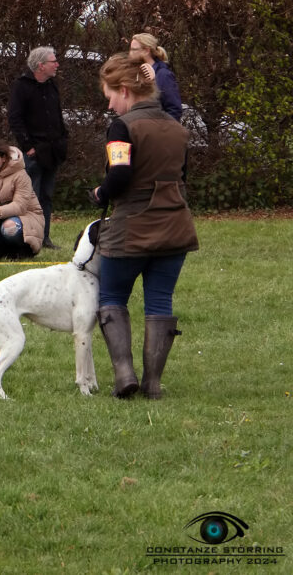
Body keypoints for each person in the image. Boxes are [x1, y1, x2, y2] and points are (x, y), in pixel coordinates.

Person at [90, 53, 198, 399]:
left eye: (109, 95)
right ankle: (153, 383)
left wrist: (100, 192)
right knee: (160, 302)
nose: (109, 105)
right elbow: (181, 177)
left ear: (124, 90)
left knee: (112, 297)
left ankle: (124, 375)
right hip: (175, 228)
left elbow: (119, 175)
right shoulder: (177, 128)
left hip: (130, 230)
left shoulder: (122, 127)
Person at [8, 46, 68, 249]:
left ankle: (44, 237)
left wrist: (63, 139)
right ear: (41, 65)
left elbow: (57, 115)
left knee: (47, 196)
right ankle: (28, 237)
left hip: (53, 151)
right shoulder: (21, 86)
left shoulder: (52, 86)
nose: (57, 64)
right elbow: (15, 118)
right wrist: (28, 146)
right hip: (34, 152)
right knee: (31, 195)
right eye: (53, 61)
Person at [129, 32, 183, 121]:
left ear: (146, 50)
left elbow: (174, 110)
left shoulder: (163, 75)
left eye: (134, 50)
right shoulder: (137, 74)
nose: (130, 53)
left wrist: (159, 131)